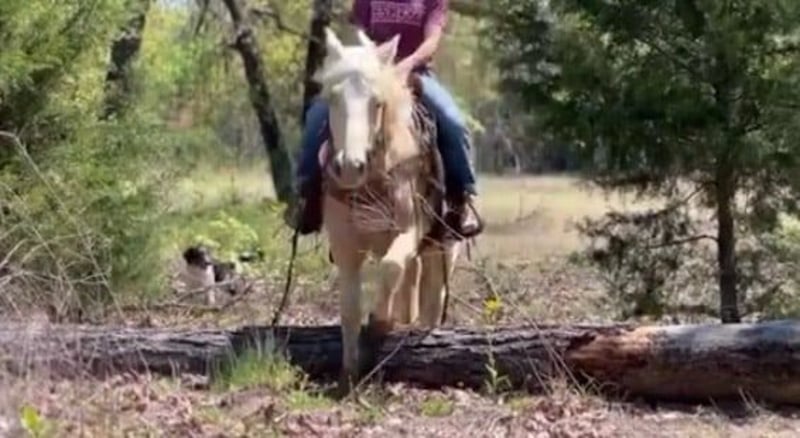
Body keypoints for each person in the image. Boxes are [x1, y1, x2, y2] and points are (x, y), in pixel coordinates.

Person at [286, 0, 482, 239]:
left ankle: (461, 200)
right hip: (369, 75)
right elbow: (358, 34)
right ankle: (306, 196)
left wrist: (407, 63)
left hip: (415, 74)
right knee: (317, 115)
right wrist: (367, 59)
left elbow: (431, 41)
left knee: (453, 122)